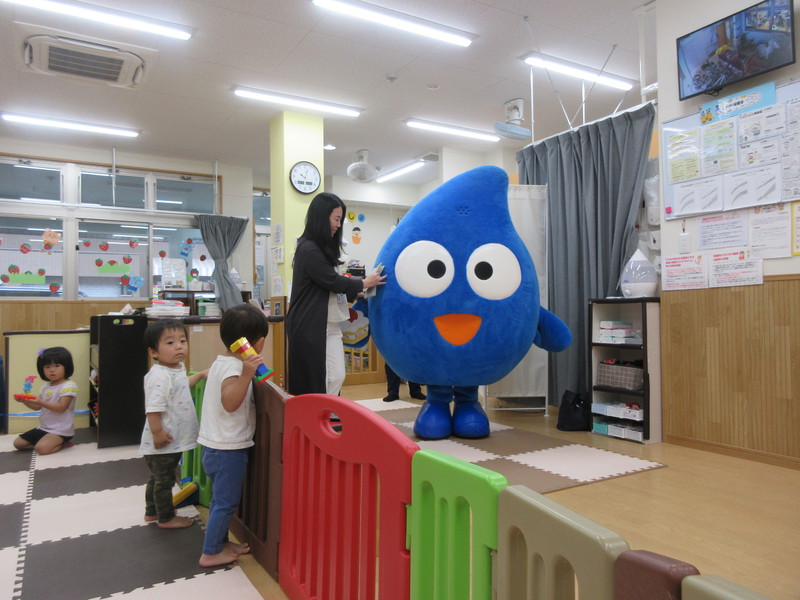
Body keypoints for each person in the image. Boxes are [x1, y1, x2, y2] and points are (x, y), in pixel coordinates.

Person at [286, 192, 385, 396]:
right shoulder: (309, 249)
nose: (339, 225)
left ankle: (327, 412)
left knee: (336, 375)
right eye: (337, 219)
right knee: (316, 378)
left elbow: (328, 285)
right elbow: (331, 281)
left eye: (340, 220)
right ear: (322, 217)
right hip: (310, 324)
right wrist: (364, 282)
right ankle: (319, 416)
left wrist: (355, 293)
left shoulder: (320, 249)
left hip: (330, 322)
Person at [197, 303, 269, 568]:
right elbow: (229, 402)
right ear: (258, 343)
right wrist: (247, 374)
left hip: (217, 448)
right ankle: (211, 552)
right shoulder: (235, 368)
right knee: (225, 503)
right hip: (226, 449)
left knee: (221, 500)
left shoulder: (223, 361)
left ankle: (220, 542)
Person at [139, 319, 208, 529]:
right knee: (165, 481)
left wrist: (201, 375)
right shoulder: (159, 376)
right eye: (170, 343)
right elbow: (153, 408)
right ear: (154, 352)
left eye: (182, 341)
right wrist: (158, 433)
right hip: (164, 440)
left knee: (156, 478)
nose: (179, 346)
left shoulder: (175, 369)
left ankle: (152, 512)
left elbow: (181, 386)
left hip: (170, 440)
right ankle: (166, 517)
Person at [14, 346, 78, 455]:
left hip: (61, 430)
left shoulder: (69, 386)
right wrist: (25, 401)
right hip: (44, 428)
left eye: (57, 366)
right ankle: (47, 442)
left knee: (42, 449)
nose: (52, 370)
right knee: (18, 444)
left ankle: (62, 443)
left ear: (66, 367)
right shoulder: (46, 386)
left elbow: (62, 407)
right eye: (47, 367)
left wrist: (41, 402)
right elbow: (38, 407)